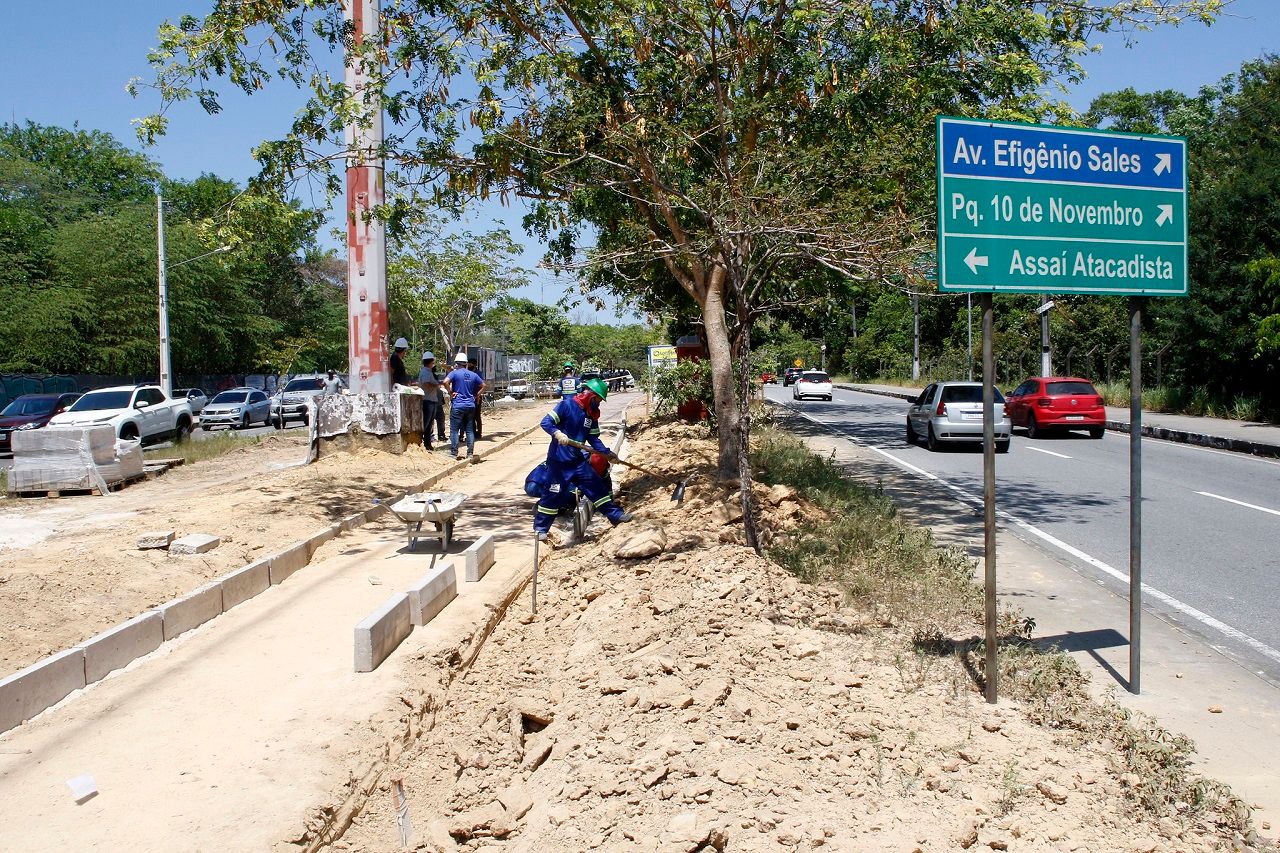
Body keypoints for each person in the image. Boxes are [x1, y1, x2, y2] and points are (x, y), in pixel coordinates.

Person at [533, 377, 631, 541]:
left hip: (577, 461)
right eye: (598, 399)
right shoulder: (566, 405)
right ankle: (541, 530)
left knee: (596, 486)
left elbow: (593, 439)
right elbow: (546, 422)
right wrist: (557, 433)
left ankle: (616, 516)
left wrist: (607, 453)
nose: (599, 403)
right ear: (591, 395)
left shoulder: (591, 414)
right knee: (553, 494)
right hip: (559, 462)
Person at [443, 351, 486, 461]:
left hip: (458, 405)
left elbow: (445, 382)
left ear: (456, 363)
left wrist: (450, 392)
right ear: (466, 363)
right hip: (470, 406)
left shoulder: (454, 373)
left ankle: (454, 453)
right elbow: (484, 385)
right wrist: (477, 395)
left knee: (454, 430)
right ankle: (470, 453)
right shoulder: (473, 375)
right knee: (470, 430)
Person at [417, 352, 440, 450]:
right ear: (431, 361)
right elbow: (426, 384)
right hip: (427, 401)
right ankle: (421, 443)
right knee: (426, 424)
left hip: (431, 400)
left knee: (429, 424)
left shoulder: (428, 371)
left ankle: (427, 444)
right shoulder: (425, 372)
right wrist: (436, 385)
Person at [467, 357, 485, 439]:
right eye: (468, 364)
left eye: (470, 364)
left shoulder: (478, 373)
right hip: (469, 397)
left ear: (474, 365)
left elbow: (482, 385)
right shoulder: (467, 372)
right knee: (471, 416)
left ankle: (479, 433)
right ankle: (473, 432)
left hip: (477, 397)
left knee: (477, 416)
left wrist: (478, 395)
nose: (469, 365)